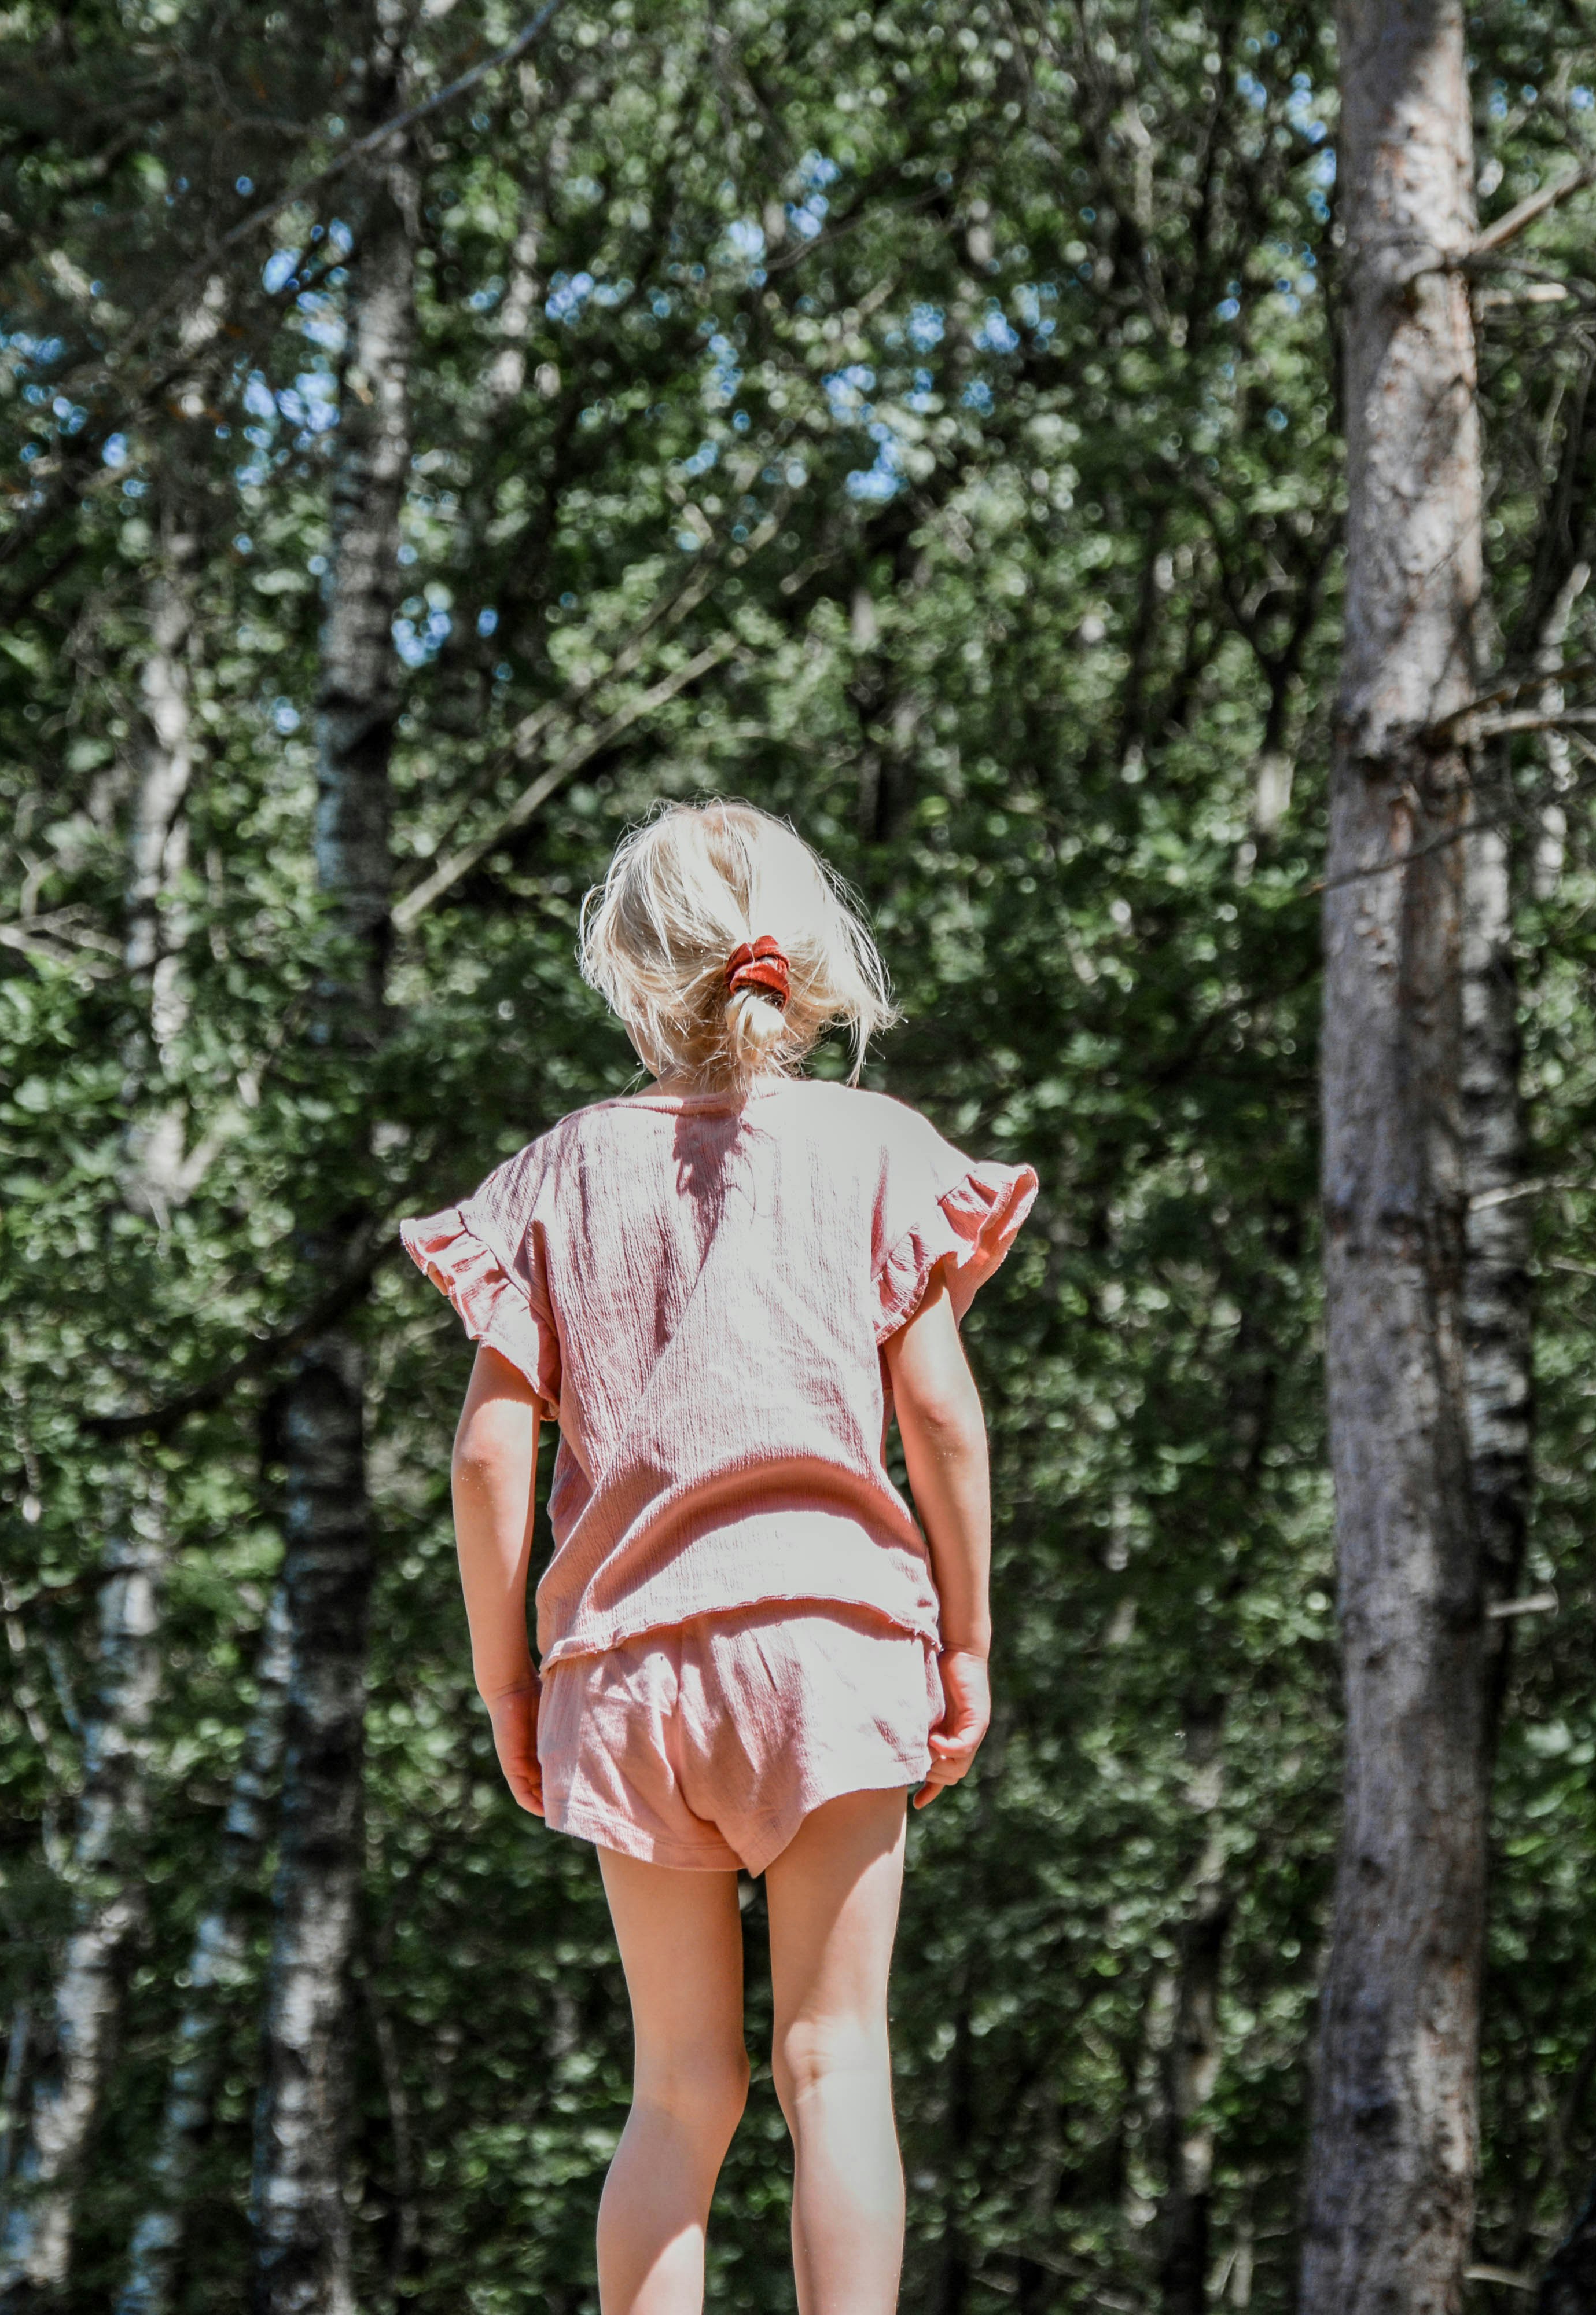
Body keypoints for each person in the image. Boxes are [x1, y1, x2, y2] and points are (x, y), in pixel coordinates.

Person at [400, 799, 1036, 2315]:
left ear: (629, 975)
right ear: (810, 969)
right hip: (827, 1645)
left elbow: (493, 1451)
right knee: (835, 2062)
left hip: (625, 1670)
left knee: (678, 2092)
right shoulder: (877, 1147)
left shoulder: (556, 1174)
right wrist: (967, 1642)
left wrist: (509, 1684)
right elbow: (943, 1423)